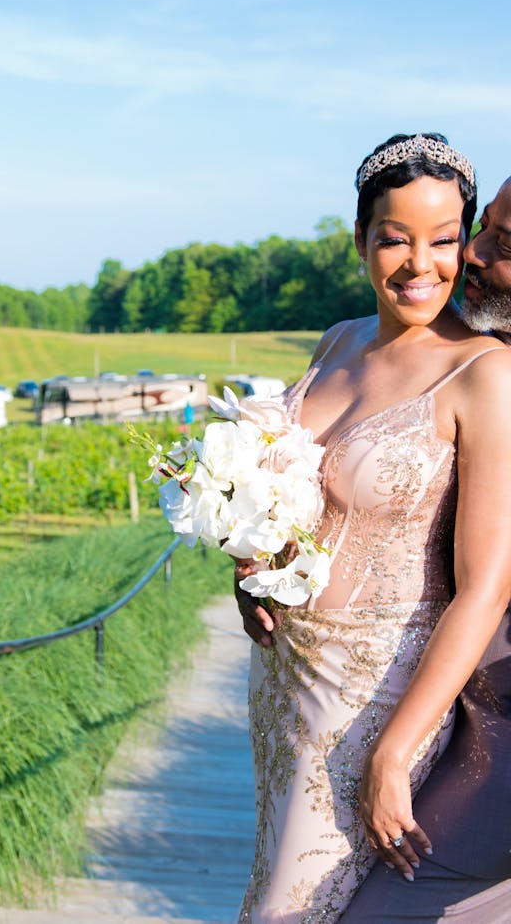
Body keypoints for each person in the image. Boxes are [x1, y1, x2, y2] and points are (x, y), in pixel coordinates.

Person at [234, 135, 511, 924]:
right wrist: (250, 560)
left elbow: (487, 586)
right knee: (271, 887)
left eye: (445, 238)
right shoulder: (335, 342)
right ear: (361, 240)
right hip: (284, 681)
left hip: (376, 703)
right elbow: (290, 491)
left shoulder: (484, 373)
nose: (420, 263)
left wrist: (395, 750)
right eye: (395, 237)